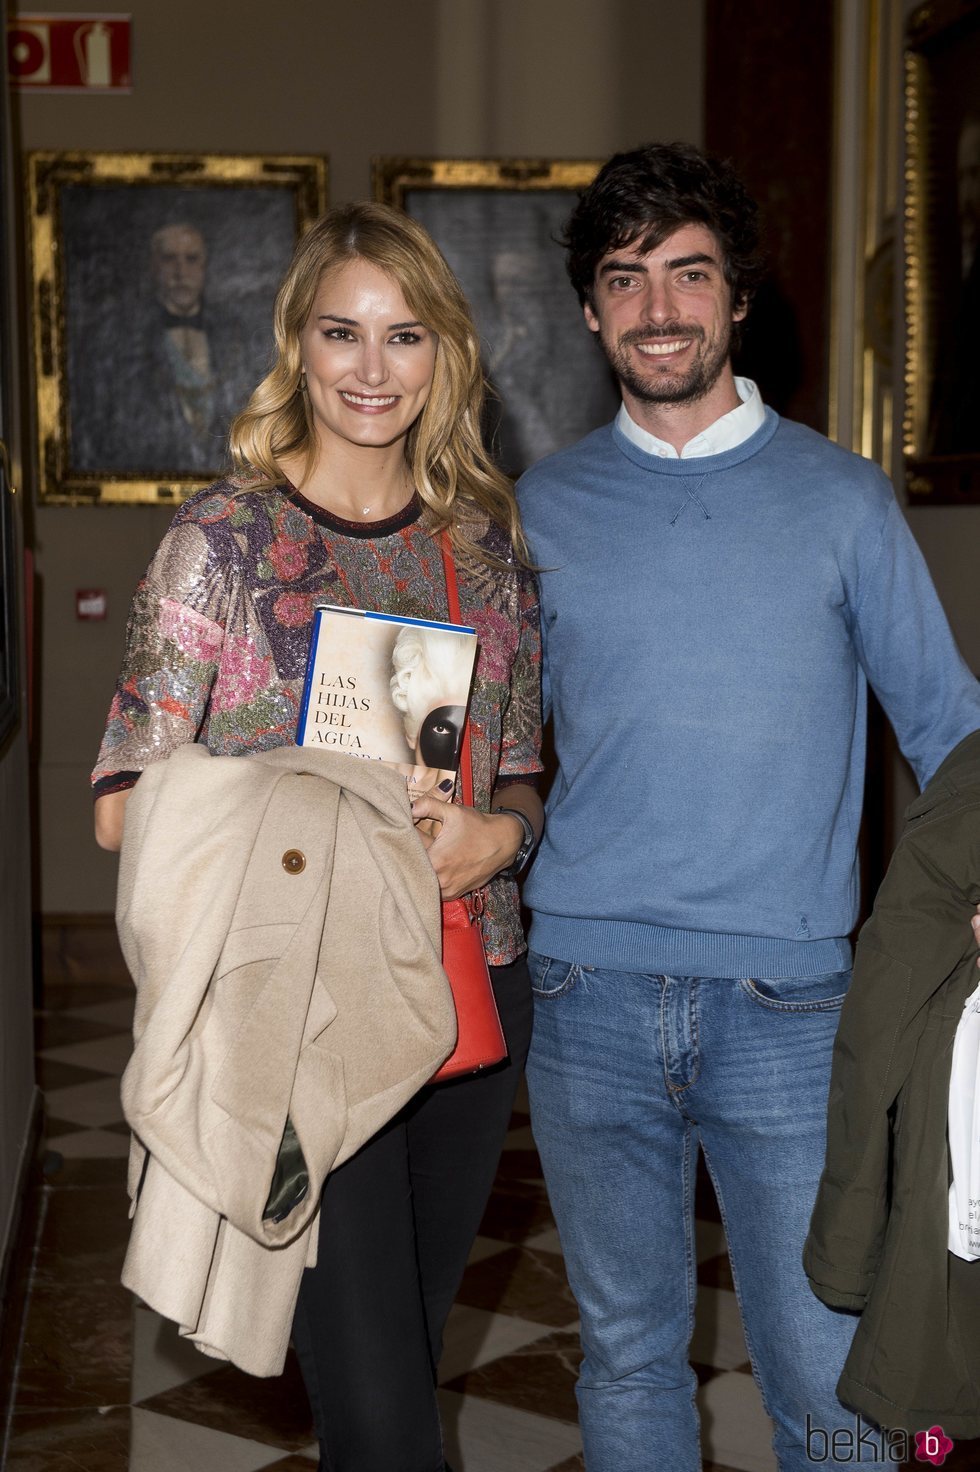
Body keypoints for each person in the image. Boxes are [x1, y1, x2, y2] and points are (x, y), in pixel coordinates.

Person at [515, 141, 980, 1472]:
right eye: (624, 279)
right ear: (593, 312)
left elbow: (951, 727)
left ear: (736, 299)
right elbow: (501, 743)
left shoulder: (842, 501)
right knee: (627, 1360)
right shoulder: (541, 507)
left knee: (833, 1395)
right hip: (584, 992)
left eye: (687, 274)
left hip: (792, 1012)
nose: (657, 306)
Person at [92, 201, 544, 1472]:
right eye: (340, 332)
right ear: (296, 343)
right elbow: (126, 804)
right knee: (393, 1421)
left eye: (403, 336)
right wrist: (314, 805)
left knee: (389, 1368)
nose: (370, 367)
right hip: (300, 1009)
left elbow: (523, 773)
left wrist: (492, 839)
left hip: (465, 986)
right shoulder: (221, 546)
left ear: (443, 354)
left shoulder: (483, 550)